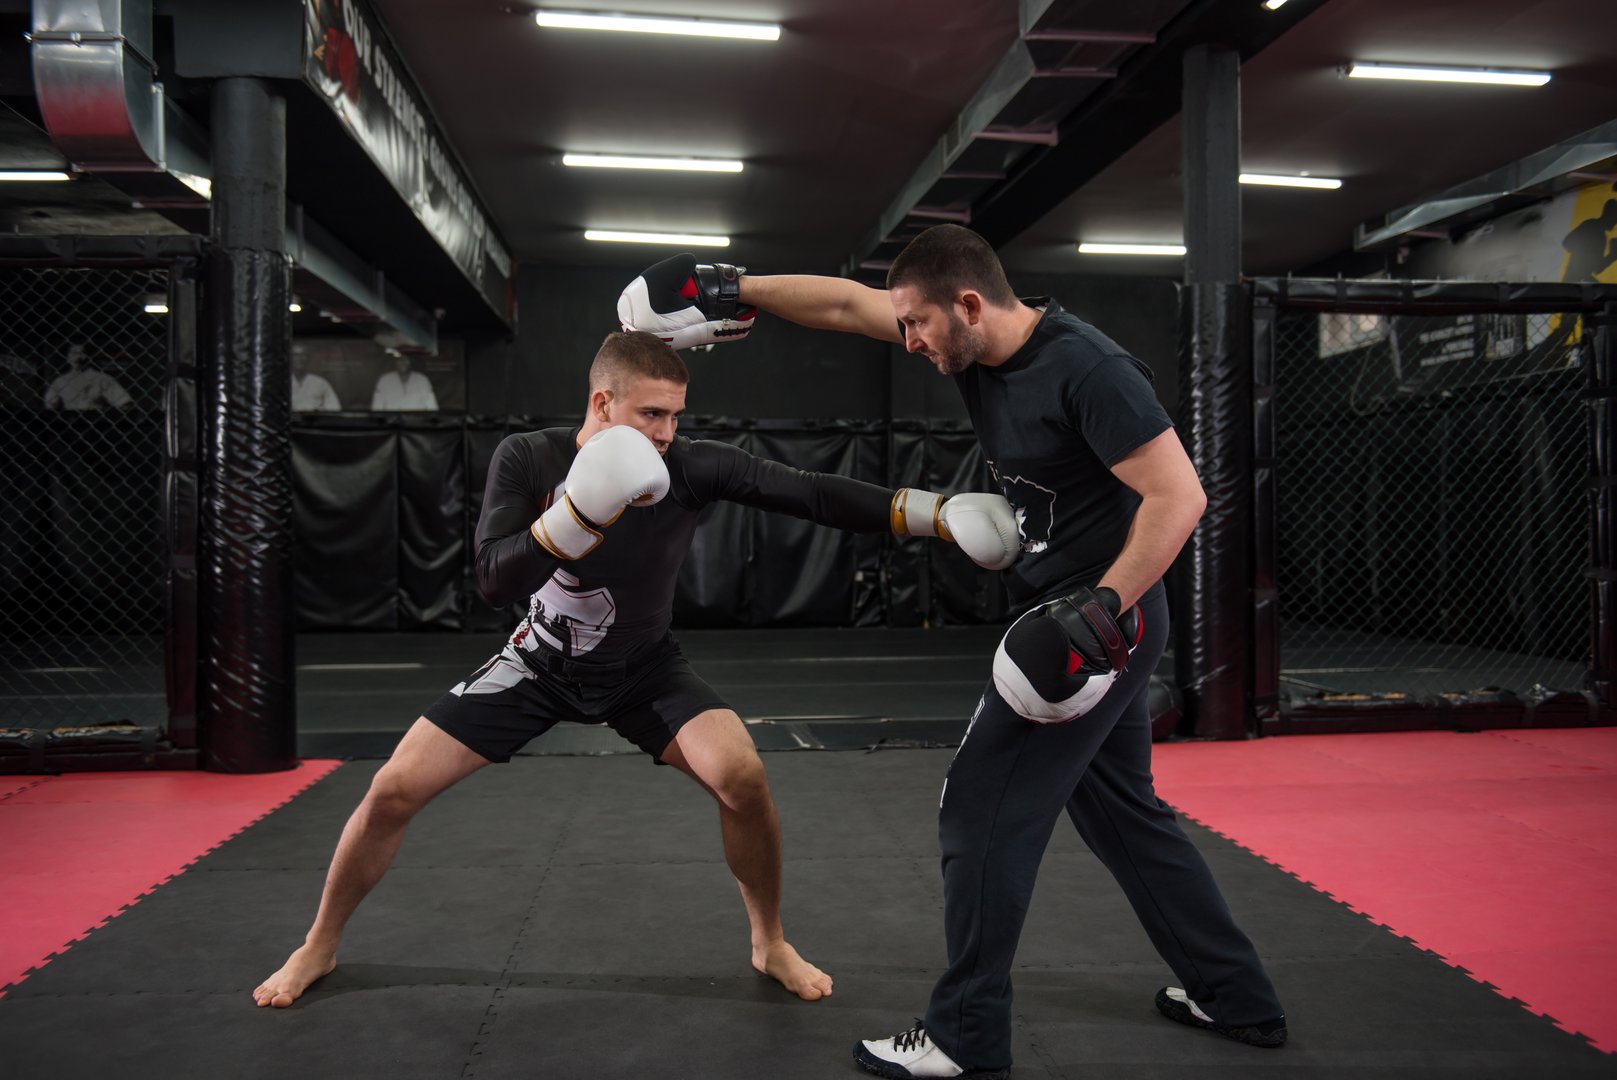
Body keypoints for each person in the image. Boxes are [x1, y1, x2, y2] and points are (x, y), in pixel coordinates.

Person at [619, 231, 1287, 1079]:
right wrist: (734, 286)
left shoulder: (1089, 369)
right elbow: (841, 302)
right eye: (904, 326)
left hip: (1095, 620)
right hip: (1084, 611)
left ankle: (963, 1035)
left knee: (977, 809)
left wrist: (1102, 604)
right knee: (1120, 811)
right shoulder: (965, 347)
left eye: (919, 326)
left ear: (969, 306)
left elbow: (1179, 494)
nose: (909, 343)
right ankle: (1234, 995)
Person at [253, 329, 1020, 1010]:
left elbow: (809, 493)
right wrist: (576, 519)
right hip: (536, 662)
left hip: (644, 668)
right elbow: (491, 579)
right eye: (652, 414)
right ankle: (319, 941)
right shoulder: (529, 458)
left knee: (743, 777)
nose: (666, 433)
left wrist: (931, 511)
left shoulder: (686, 468)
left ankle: (769, 940)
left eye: (676, 414)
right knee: (389, 790)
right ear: (603, 401)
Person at [42, 343, 132, 411]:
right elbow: (50, 404)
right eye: (74, 353)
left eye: (81, 353)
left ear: (88, 357)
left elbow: (124, 403)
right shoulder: (60, 381)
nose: (77, 357)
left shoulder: (102, 379)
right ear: (68, 357)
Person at [370, 353, 438, 411]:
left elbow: (432, 407)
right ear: (395, 362)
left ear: (411, 361)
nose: (403, 362)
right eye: (400, 359)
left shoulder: (422, 379)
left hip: (417, 423)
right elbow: (377, 407)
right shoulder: (384, 380)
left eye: (406, 359)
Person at [291, 343, 342, 412]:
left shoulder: (320, 383)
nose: (300, 358)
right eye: (295, 355)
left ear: (308, 358)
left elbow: (334, 408)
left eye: (303, 355)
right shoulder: (283, 383)